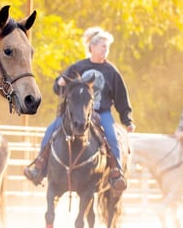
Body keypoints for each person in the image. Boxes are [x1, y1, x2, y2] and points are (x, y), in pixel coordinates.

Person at [23, 27, 135, 191]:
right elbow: (58, 88)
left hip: (101, 112)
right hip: (76, 113)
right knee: (51, 130)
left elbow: (121, 98)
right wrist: (59, 83)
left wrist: (127, 120)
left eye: (107, 47)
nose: (106, 50)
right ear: (92, 47)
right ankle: (40, 166)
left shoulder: (111, 72)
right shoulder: (78, 67)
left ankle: (115, 172)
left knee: (112, 137)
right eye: (103, 46)